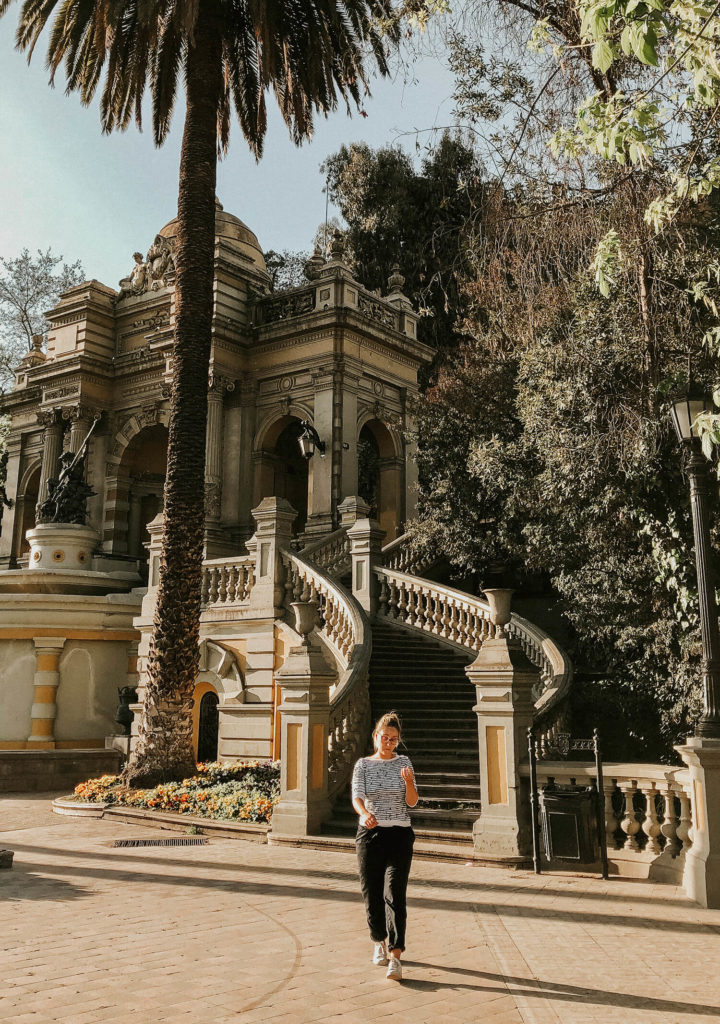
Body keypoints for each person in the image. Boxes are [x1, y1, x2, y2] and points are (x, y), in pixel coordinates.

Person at [351, 711, 419, 982]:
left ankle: (396, 956)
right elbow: (357, 796)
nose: (388, 742)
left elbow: (412, 802)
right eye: (384, 737)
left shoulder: (404, 763)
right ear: (375, 737)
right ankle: (378, 940)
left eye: (394, 739)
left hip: (400, 835)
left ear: (398, 741)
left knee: (395, 894)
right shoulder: (363, 765)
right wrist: (363, 813)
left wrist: (409, 782)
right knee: (372, 892)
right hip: (370, 836)